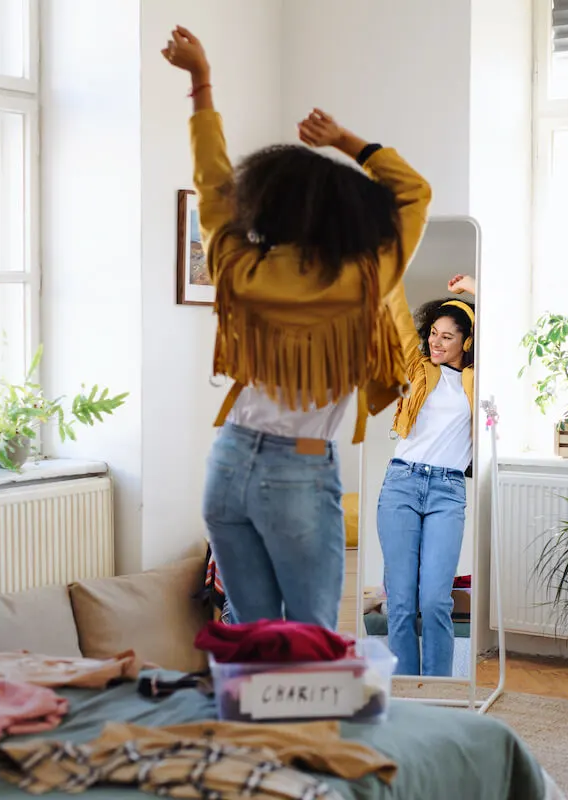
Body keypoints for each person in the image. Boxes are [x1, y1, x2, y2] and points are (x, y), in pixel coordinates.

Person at [161, 27, 431, 629]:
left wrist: (200, 80)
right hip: (298, 472)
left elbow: (211, 182)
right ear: (344, 213)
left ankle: (249, 727)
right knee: (309, 645)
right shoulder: (366, 274)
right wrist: (344, 141)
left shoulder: (239, 264)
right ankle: (301, 726)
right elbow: (413, 192)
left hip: (227, 463)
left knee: (253, 638)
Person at [377, 274, 477, 676]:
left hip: (447, 491)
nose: (436, 342)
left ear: (466, 342)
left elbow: (507, 324)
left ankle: (439, 692)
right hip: (402, 484)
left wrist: (475, 286)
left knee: (435, 600)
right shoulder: (416, 367)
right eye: (433, 334)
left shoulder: (477, 379)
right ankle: (404, 693)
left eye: (447, 337)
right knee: (401, 601)